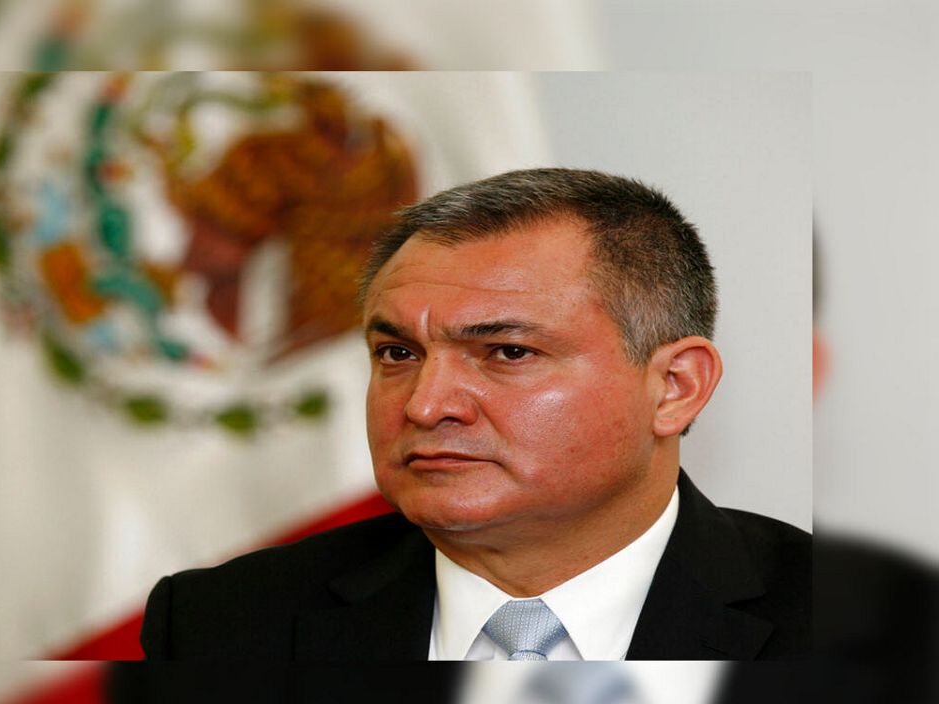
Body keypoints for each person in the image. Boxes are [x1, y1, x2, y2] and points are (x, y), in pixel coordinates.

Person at [139, 168, 810, 661]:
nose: (425, 404)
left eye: (508, 352)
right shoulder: (218, 626)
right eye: (398, 353)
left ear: (675, 387)